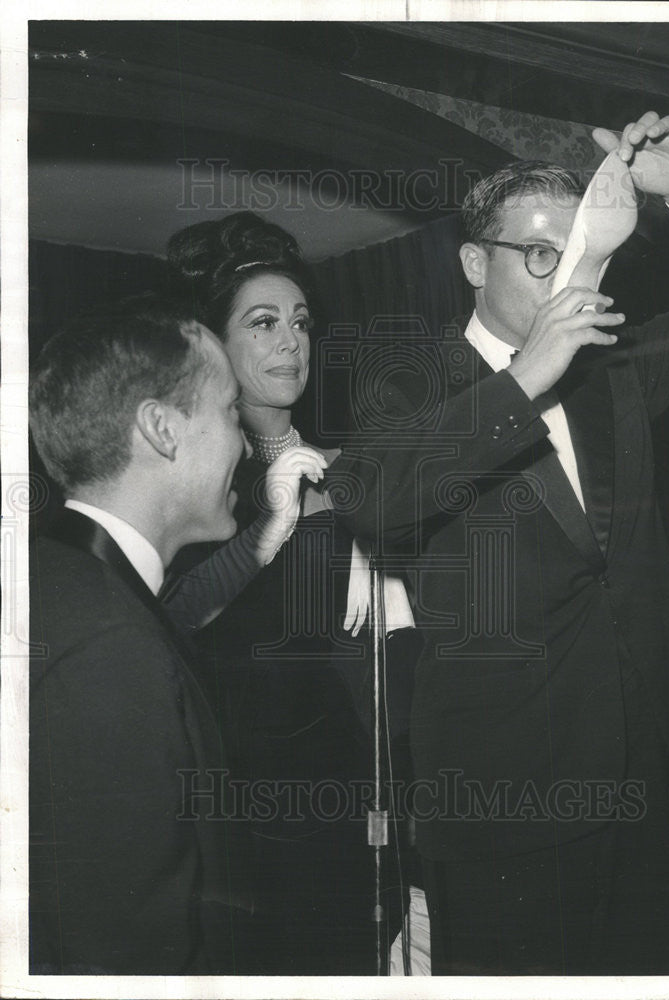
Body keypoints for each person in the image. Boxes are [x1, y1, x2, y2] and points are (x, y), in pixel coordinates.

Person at [328, 109, 669, 974]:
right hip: (510, 802)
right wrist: (527, 372)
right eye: (540, 255)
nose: (568, 274)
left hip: (655, 777)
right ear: (472, 263)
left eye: (580, 252)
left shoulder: (616, 368)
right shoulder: (406, 386)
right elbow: (376, 503)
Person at [28, 293, 325, 974]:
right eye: (228, 413)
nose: (246, 443)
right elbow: (126, 956)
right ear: (162, 429)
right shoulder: (106, 650)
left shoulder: (65, 584)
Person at [161, 214, 405, 974]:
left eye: (298, 322)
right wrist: (274, 525)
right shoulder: (201, 487)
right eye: (262, 323)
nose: (289, 342)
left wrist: (380, 549)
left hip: (360, 769)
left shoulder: (351, 461)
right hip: (250, 788)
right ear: (216, 346)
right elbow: (171, 618)